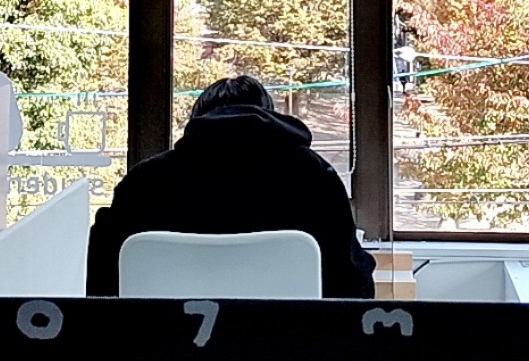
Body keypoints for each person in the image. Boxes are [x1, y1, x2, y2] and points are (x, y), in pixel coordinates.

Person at [86, 75, 375, 298]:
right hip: (291, 348)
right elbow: (353, 285)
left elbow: (102, 283)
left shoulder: (145, 183)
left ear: (197, 121)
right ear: (271, 116)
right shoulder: (315, 178)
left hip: (164, 347)